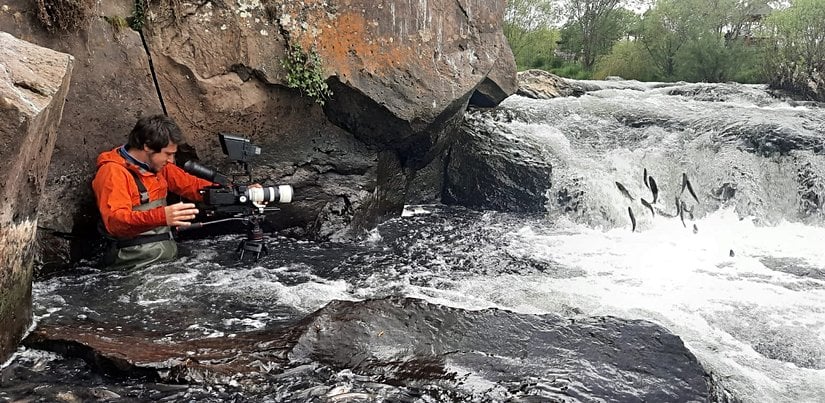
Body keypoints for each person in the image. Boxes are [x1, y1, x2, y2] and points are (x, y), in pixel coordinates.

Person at [92, 115, 213, 270]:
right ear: (147, 146)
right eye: (168, 154)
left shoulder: (159, 166)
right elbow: (115, 223)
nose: (171, 160)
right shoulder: (112, 172)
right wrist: (162, 217)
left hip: (164, 258)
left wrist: (242, 192)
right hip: (133, 266)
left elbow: (193, 186)